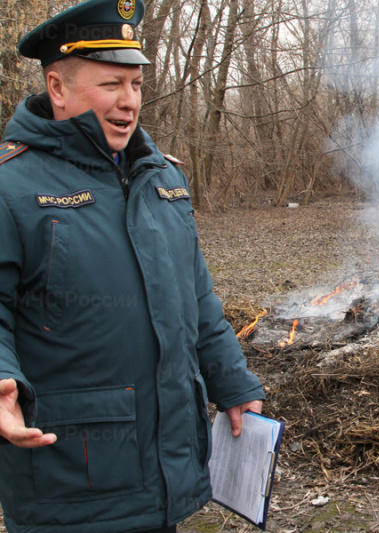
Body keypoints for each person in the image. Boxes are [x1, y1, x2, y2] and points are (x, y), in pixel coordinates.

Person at [0, 0, 267, 531]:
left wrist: (233, 383)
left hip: (165, 469)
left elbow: (197, 297)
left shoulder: (163, 179)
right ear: (57, 87)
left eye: (136, 85)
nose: (129, 102)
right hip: (70, 481)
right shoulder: (12, 186)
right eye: (110, 85)